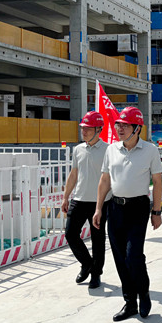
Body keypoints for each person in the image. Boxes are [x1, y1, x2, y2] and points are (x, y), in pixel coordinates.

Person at [92, 106, 162, 321]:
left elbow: (157, 182)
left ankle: (144, 293)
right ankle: (130, 302)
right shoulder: (112, 150)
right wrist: (98, 208)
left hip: (138, 208)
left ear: (137, 128)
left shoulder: (150, 150)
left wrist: (157, 211)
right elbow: (105, 180)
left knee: (133, 256)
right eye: (118, 125)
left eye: (125, 125)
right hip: (115, 208)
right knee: (120, 258)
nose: (119, 129)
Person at [62, 111, 110, 289]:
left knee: (98, 239)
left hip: (100, 202)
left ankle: (96, 273)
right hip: (79, 199)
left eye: (88, 128)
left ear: (99, 130)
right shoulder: (78, 149)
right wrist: (66, 197)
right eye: (83, 128)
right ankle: (87, 264)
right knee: (70, 234)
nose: (84, 131)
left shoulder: (108, 150)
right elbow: (74, 174)